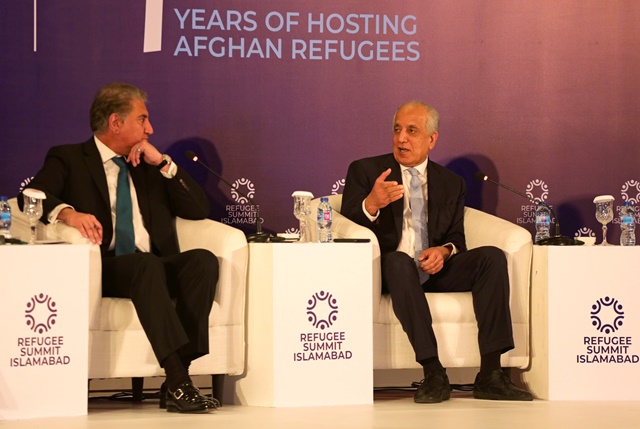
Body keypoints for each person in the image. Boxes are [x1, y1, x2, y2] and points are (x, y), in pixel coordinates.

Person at [19, 83, 219, 413]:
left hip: (150, 265)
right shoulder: (69, 158)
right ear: (115, 122)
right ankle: (180, 381)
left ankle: (175, 381)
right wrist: (68, 213)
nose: (150, 129)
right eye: (143, 119)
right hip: (106, 266)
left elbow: (198, 210)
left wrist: (165, 163)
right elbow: (31, 197)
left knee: (203, 261)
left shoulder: (145, 163)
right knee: (146, 266)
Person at [341, 101, 533, 403]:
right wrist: (372, 204)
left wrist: (444, 251)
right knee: (398, 262)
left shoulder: (450, 183)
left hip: (434, 268)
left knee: (492, 258)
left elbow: (457, 235)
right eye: (397, 130)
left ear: (432, 139)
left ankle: (491, 374)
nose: (401, 138)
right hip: (389, 269)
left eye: (412, 131)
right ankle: (433, 372)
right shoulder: (366, 171)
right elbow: (346, 224)